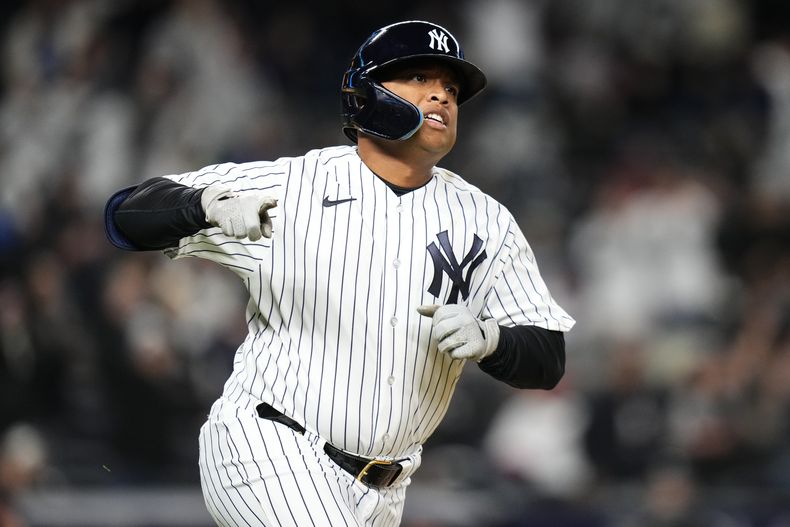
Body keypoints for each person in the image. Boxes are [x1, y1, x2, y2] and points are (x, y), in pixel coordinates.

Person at [104, 20, 575, 527]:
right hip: (270, 445)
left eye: (452, 88)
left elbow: (547, 359)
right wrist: (203, 204)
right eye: (419, 77)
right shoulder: (296, 184)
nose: (441, 94)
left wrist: (491, 340)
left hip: (385, 490)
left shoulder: (486, 220)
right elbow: (125, 216)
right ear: (367, 93)